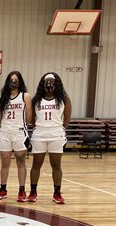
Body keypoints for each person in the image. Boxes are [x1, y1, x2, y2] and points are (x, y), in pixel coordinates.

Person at [29, 72, 72, 204]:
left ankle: (57, 193)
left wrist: (60, 128)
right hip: (40, 133)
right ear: (43, 83)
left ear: (57, 83)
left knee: (56, 165)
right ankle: (33, 192)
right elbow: (31, 119)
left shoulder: (64, 99)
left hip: (56, 133)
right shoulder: (36, 99)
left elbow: (67, 118)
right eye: (47, 81)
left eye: (52, 81)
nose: (49, 83)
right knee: (36, 164)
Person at [0, 71, 33, 202]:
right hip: (5, 132)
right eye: (11, 79)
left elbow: (29, 116)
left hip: (19, 132)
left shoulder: (25, 96)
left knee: (21, 162)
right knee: (5, 163)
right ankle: (3, 189)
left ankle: (22, 190)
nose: (13, 82)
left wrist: (21, 126)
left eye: (16, 80)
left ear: (20, 81)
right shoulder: (2, 98)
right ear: (7, 81)